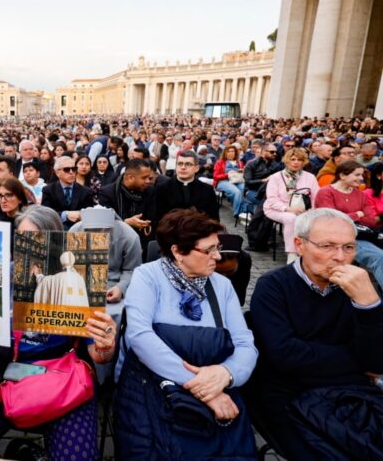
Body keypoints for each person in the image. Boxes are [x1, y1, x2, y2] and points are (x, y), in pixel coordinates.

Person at [0, 205, 117, 460]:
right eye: (23, 238)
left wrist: (106, 344)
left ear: (56, 241)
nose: (29, 247)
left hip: (62, 371)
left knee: (78, 457)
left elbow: (99, 355)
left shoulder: (79, 277)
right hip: (5, 367)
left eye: (38, 239)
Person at [115, 209, 258, 460]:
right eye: (209, 250)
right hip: (154, 387)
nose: (217, 256)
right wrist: (205, 389)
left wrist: (227, 373)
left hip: (217, 384)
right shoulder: (147, 276)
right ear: (178, 252)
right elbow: (140, 337)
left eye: (217, 247)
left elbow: (245, 343)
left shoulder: (222, 286)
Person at [249, 208, 383, 460]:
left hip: (351, 393)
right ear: (299, 245)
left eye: (348, 247)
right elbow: (285, 356)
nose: (340, 257)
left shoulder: (360, 287)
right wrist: (356, 362)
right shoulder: (274, 286)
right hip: (290, 395)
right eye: (327, 246)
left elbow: (376, 362)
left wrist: (370, 305)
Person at [314, 160, 383, 287]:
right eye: (357, 175)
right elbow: (331, 220)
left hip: (358, 235)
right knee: (380, 257)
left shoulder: (360, 194)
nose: (361, 178)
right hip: (334, 238)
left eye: (362, 175)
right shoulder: (326, 192)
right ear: (342, 175)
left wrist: (347, 217)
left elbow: (371, 220)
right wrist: (357, 214)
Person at [69, 206, 141, 319]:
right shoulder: (75, 231)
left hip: (113, 287)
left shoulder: (129, 236)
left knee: (114, 315)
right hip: (80, 286)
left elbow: (132, 270)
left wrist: (121, 288)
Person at [263, 147, 320, 263]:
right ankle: (292, 253)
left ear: (304, 162)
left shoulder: (310, 177)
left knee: (315, 219)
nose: (296, 162)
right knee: (292, 218)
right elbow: (272, 199)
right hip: (277, 209)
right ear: (286, 161)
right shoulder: (276, 177)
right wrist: (288, 209)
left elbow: (316, 197)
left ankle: (310, 252)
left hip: (304, 209)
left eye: (299, 160)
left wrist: (312, 211)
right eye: (293, 159)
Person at [152, 150, 219, 227]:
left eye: (188, 164)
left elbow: (214, 219)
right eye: (180, 164)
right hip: (170, 231)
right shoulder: (161, 189)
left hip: (199, 231)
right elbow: (157, 219)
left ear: (197, 168)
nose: (183, 167)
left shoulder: (207, 190)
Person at [41, 156, 95, 229]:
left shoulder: (86, 191)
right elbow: (45, 214)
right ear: (57, 173)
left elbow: (89, 214)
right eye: (67, 169)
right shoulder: (48, 190)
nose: (71, 172)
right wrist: (65, 215)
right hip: (56, 229)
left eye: (74, 169)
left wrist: (80, 215)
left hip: (79, 230)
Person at [243, 142, 282, 212]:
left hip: (269, 192)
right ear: (264, 152)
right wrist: (263, 180)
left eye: (275, 152)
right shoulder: (252, 164)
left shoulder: (276, 165)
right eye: (272, 152)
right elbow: (248, 182)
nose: (274, 154)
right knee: (266, 205)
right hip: (252, 191)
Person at [213, 146, 245, 217]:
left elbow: (242, 174)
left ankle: (243, 210)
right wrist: (228, 174)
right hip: (223, 181)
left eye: (232, 151)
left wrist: (242, 171)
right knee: (236, 192)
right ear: (225, 153)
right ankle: (238, 213)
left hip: (237, 180)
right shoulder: (220, 162)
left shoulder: (240, 163)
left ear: (235, 153)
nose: (230, 153)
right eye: (228, 151)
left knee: (243, 189)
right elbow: (215, 177)